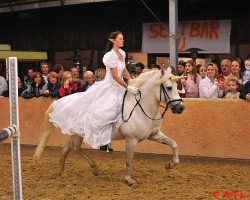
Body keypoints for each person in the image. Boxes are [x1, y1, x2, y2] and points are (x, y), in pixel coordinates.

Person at [49, 31, 138, 152]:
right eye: (120, 39)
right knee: (107, 111)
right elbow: (116, 76)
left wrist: (133, 81)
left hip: (120, 85)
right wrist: (128, 87)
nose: (123, 41)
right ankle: (103, 142)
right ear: (112, 40)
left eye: (123, 39)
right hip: (110, 87)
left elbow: (124, 70)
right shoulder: (109, 56)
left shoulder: (122, 53)